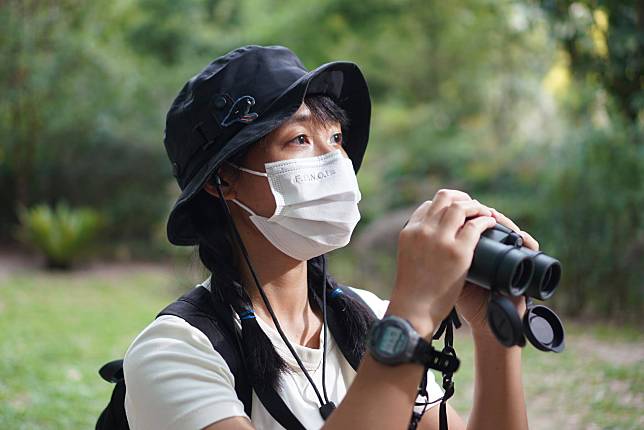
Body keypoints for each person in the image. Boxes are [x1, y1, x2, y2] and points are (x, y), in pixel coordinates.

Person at [123, 45, 536, 430]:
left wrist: (495, 331)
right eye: (300, 139)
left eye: (336, 138)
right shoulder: (174, 352)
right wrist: (414, 313)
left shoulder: (368, 317)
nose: (334, 160)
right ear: (224, 180)